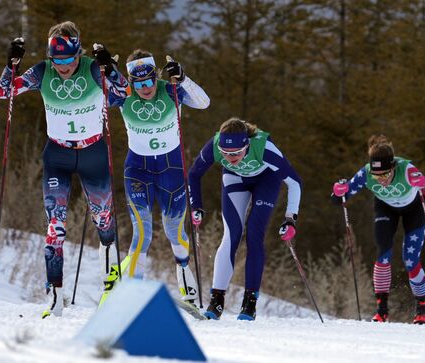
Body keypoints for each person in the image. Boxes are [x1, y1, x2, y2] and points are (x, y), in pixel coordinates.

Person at [0, 21, 129, 318]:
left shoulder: (93, 69)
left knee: (103, 218)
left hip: (93, 153)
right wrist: (11, 65)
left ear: (78, 54)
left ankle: (111, 269)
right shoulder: (43, 71)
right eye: (58, 61)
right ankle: (55, 295)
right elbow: (4, 93)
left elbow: (124, 91)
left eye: (69, 60)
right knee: (54, 226)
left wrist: (110, 66)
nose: (63, 67)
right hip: (58, 154)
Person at [115, 49, 210, 309]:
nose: (145, 88)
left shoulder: (171, 91)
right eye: (139, 84)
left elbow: (204, 103)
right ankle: (133, 294)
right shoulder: (124, 97)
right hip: (138, 171)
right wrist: (108, 73)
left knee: (174, 232)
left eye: (149, 81)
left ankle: (183, 271)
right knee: (142, 232)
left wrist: (184, 79)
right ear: (131, 83)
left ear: (156, 77)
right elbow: (94, 101)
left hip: (172, 171)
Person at [188, 117, 302, 321]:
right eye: (225, 153)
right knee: (231, 234)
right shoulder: (214, 145)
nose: (231, 157)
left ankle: (249, 303)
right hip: (234, 178)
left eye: (237, 153)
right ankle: (216, 302)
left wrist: (290, 218)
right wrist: (196, 206)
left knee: (254, 235)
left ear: (247, 144)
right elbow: (194, 174)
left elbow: (294, 182)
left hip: (266, 180)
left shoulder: (265, 148)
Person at [331, 134, 425, 324]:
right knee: (383, 254)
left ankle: (422, 307)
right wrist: (338, 192)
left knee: (411, 260)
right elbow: (338, 200)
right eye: (377, 176)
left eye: (384, 174)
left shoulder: (407, 170)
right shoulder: (366, 173)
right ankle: (382, 310)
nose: (381, 180)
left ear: (393, 167)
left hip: (413, 210)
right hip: (386, 209)